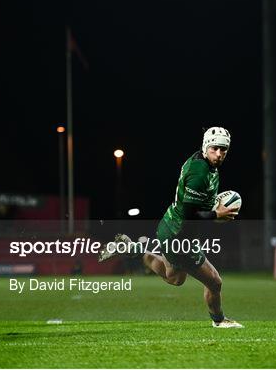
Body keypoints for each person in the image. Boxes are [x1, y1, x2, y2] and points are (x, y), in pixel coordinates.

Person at [99, 127, 243, 328]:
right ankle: (219, 321)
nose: (219, 154)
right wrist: (216, 214)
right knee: (215, 282)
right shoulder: (199, 172)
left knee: (174, 278)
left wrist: (210, 208)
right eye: (215, 148)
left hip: (170, 227)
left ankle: (133, 249)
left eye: (223, 149)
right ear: (205, 147)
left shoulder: (204, 164)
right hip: (180, 235)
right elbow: (189, 215)